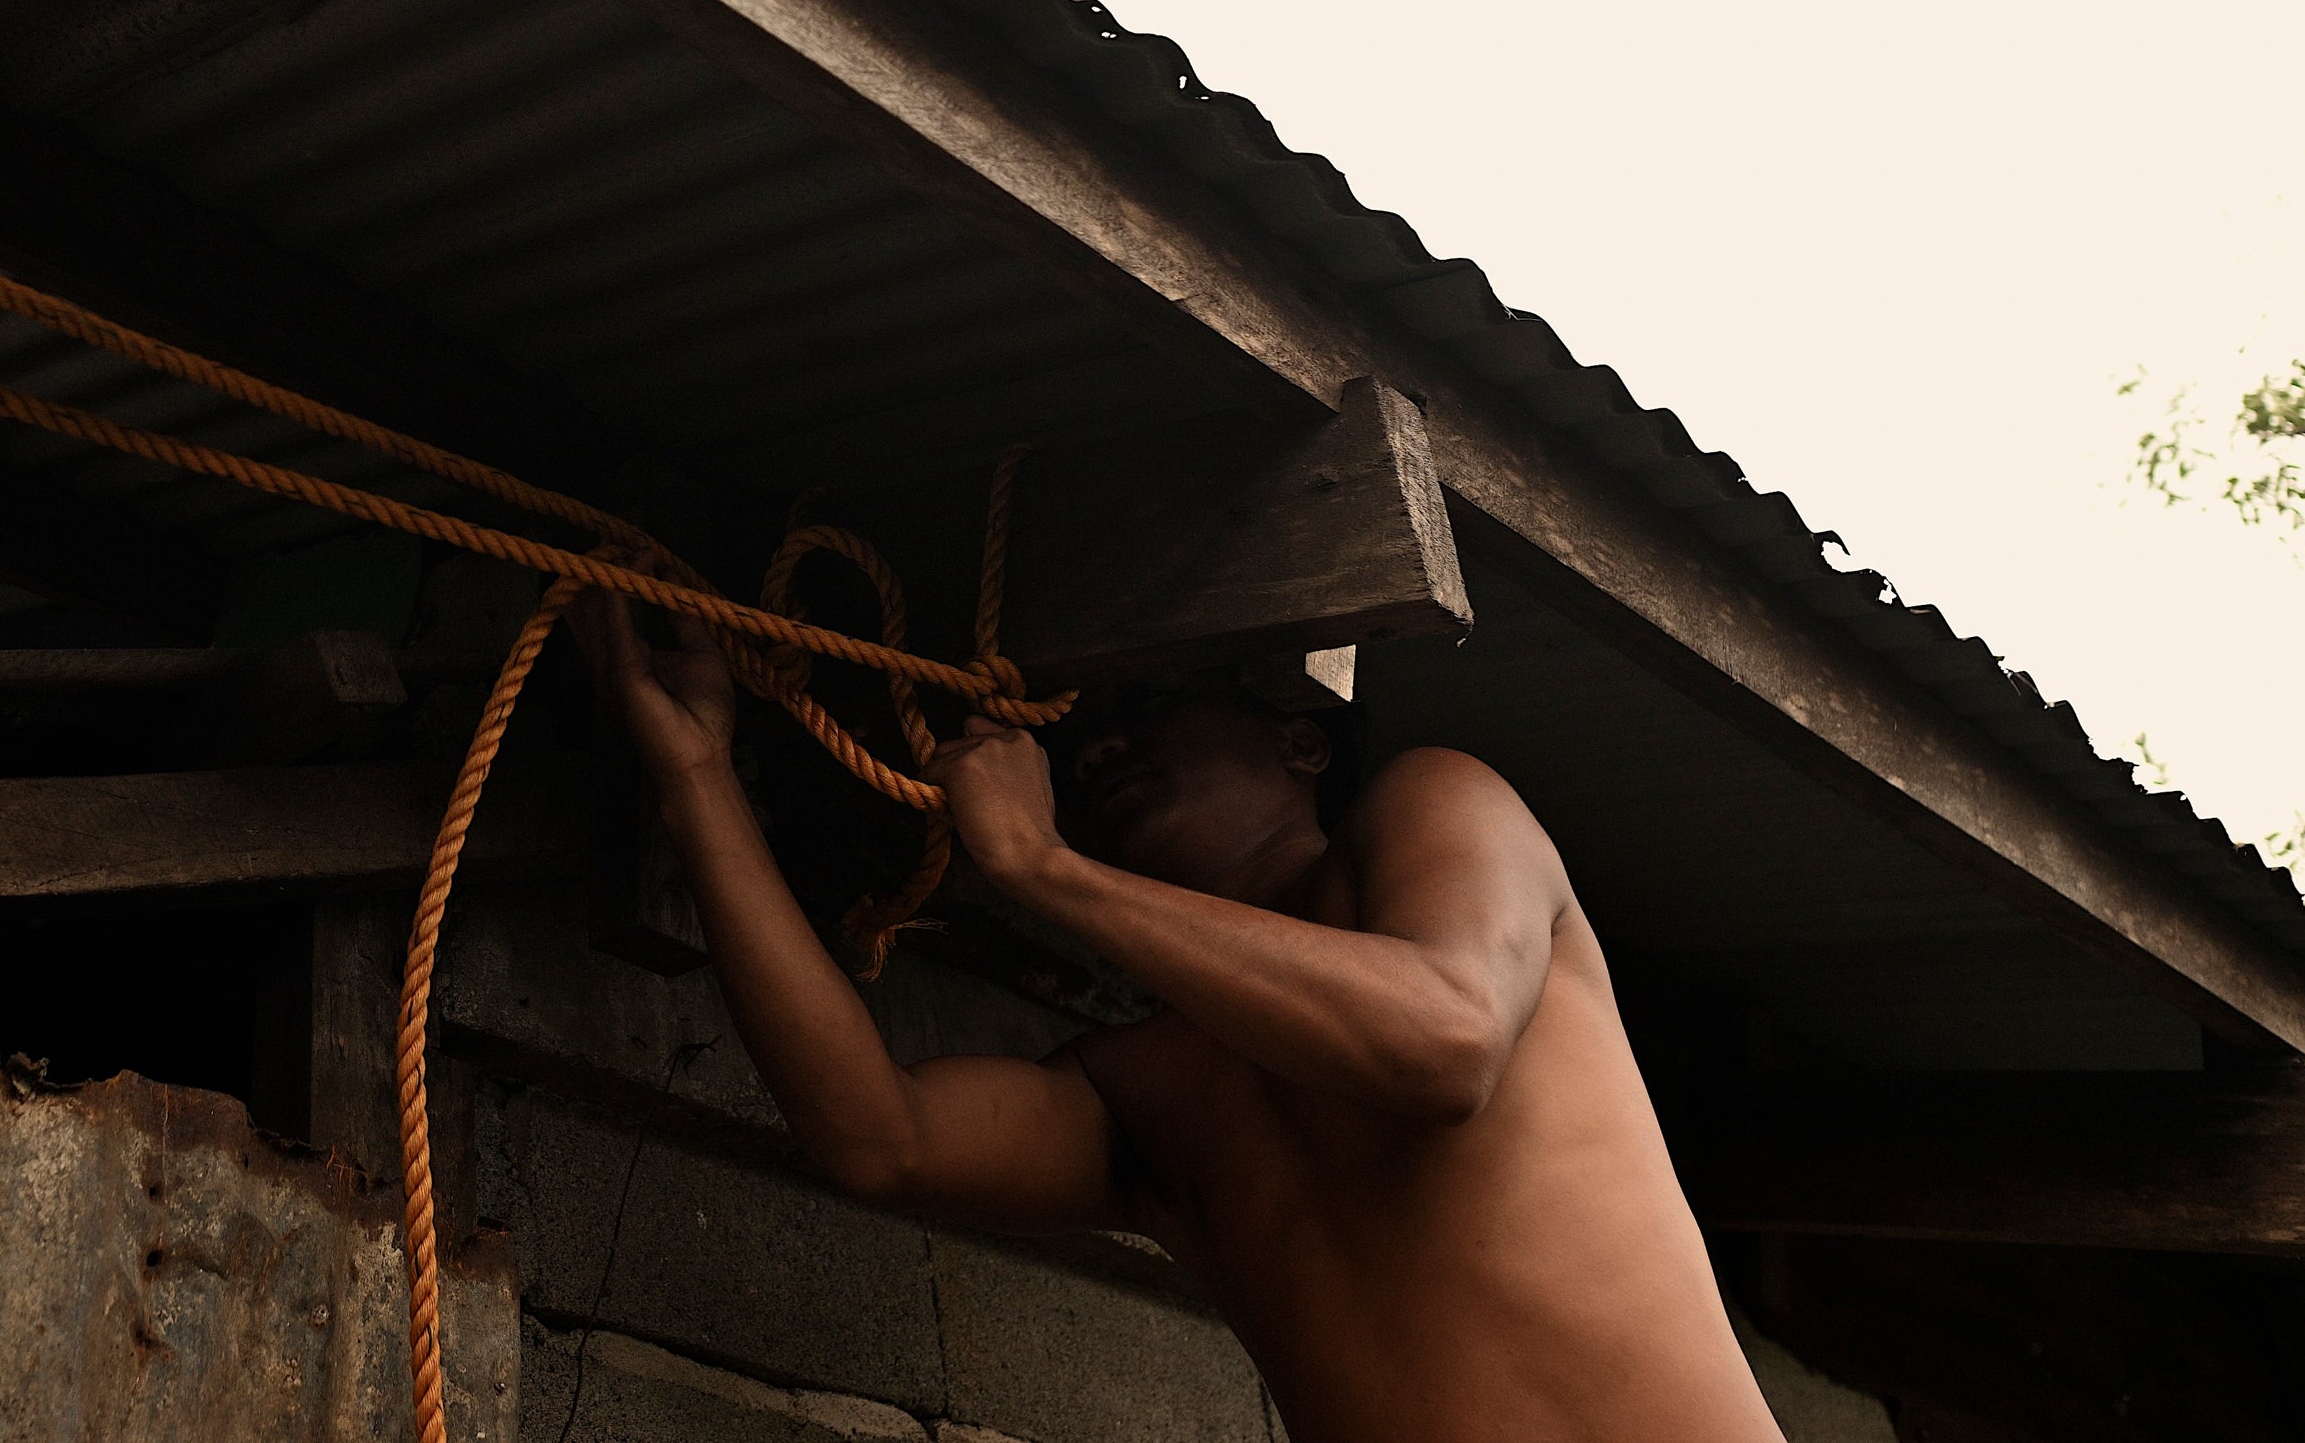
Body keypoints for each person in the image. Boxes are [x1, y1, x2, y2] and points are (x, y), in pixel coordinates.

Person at [574, 593, 1785, 1443]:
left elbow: (1446, 1039)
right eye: (1079, 729)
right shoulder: (1147, 1090)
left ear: (1300, 739)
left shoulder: (1435, 802)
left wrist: (1045, 868)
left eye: (1151, 701)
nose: (1099, 738)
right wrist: (695, 778)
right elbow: (876, 1135)